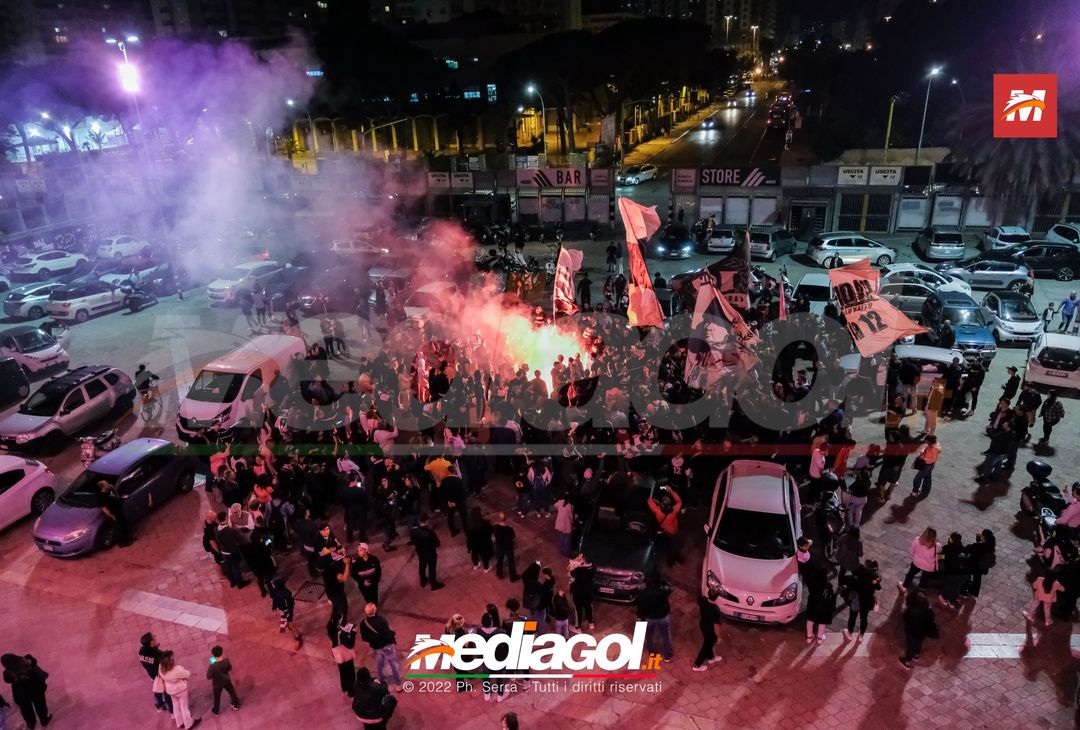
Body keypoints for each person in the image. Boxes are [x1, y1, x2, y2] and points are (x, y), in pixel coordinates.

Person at [359, 603, 403, 692]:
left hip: (376, 647)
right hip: (387, 646)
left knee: (379, 663)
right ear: (374, 611)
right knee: (393, 663)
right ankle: (398, 684)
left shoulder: (363, 624)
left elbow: (364, 638)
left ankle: (381, 678)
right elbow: (387, 633)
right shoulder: (381, 620)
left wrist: (374, 640)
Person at [1, 654, 49, 730]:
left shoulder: (7, 674)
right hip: (36, 689)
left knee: (26, 711)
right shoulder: (28, 659)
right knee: (41, 705)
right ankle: (44, 720)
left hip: (21, 695)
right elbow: (35, 661)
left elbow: (7, 681)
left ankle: (31, 725)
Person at [158, 651, 200, 729]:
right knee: (184, 707)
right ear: (170, 661)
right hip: (181, 690)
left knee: (175, 705)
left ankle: (180, 722)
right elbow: (187, 674)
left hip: (170, 690)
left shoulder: (160, 668)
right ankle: (189, 724)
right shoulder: (177, 669)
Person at [843, 559, 881, 643]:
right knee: (864, 619)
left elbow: (849, 581)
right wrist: (877, 580)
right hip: (866, 602)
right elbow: (878, 587)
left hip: (856, 600)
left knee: (852, 617)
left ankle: (850, 634)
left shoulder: (859, 574)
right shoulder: (873, 577)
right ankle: (861, 636)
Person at [898, 589, 938, 669]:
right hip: (922, 632)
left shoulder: (911, 611)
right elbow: (931, 620)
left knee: (910, 646)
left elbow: (905, 618)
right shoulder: (929, 611)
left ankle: (907, 662)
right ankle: (916, 655)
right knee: (918, 643)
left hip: (912, 631)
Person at [637, 577, 674, 661]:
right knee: (666, 636)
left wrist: (639, 616)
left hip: (650, 617)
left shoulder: (644, 593)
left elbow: (641, 606)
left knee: (649, 635)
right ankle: (667, 655)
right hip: (662, 617)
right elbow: (671, 588)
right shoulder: (663, 592)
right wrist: (664, 582)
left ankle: (651, 652)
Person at [647, 484, 683, 566]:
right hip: (674, 531)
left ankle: (671, 562)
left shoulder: (657, 510)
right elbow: (679, 501)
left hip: (666, 532)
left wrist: (655, 501)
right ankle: (677, 559)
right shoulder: (674, 511)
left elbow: (649, 500)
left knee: (671, 546)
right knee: (672, 545)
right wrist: (671, 491)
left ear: (661, 504)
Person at [139, 632, 173, 714]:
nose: (155, 636)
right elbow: (163, 663)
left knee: (157, 689)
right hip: (160, 675)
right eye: (153, 637)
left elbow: (147, 660)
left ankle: (159, 705)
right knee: (166, 692)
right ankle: (171, 709)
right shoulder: (157, 654)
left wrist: (155, 647)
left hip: (151, 674)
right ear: (151, 642)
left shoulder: (142, 651)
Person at [899, 527, 939, 592]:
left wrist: (915, 558)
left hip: (917, 563)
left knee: (911, 573)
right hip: (929, 567)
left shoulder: (917, 540)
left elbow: (911, 551)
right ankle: (921, 589)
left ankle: (904, 586)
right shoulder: (937, 545)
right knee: (925, 577)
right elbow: (940, 554)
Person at [410, 513, 444, 590]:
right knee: (431, 568)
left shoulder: (413, 531)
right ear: (426, 521)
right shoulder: (430, 533)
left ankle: (423, 580)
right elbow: (437, 544)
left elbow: (412, 541)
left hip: (420, 552)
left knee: (422, 565)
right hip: (430, 553)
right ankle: (434, 584)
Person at [269, 575, 303, 648]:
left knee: (291, 624)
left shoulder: (287, 594)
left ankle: (298, 638)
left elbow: (290, 606)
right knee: (283, 617)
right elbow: (274, 600)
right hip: (281, 609)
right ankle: (284, 621)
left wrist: (287, 613)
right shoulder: (274, 591)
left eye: (273, 584)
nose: (272, 585)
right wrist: (274, 607)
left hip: (287, 610)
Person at [692, 592, 723, 671]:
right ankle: (697, 665)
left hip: (703, 625)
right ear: (717, 597)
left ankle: (711, 658)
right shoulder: (716, 610)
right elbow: (716, 626)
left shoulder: (703, 600)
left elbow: (700, 598)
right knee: (706, 646)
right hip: (710, 629)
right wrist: (718, 637)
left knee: (707, 642)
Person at [937, 532, 968, 610]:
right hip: (963, 573)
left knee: (948, 586)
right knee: (957, 586)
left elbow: (940, 559)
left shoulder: (946, 548)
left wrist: (942, 569)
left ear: (952, 539)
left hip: (951, 572)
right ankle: (953, 599)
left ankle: (945, 598)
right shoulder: (963, 548)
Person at [206, 646, 240, 716]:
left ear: (213, 654)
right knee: (231, 692)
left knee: (217, 697)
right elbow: (229, 668)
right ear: (221, 652)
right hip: (226, 680)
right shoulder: (226, 661)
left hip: (217, 684)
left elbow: (208, 677)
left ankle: (216, 710)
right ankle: (236, 704)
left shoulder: (212, 666)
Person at [98, 479, 134, 546]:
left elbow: (115, 494)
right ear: (103, 487)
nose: (108, 484)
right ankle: (122, 543)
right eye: (106, 484)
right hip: (113, 514)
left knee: (124, 525)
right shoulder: (101, 497)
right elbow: (104, 509)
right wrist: (112, 516)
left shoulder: (109, 490)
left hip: (118, 511)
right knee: (119, 529)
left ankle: (129, 538)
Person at [962, 529, 996, 598]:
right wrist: (979, 540)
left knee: (966, 575)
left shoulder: (977, 546)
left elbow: (969, 548)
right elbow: (983, 546)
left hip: (973, 565)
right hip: (982, 567)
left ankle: (963, 590)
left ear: (983, 537)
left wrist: (977, 542)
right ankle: (974, 592)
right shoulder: (991, 546)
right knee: (977, 578)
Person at [805, 576, 836, 644]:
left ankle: (809, 637)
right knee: (822, 623)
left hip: (813, 606)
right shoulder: (828, 586)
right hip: (824, 608)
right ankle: (819, 638)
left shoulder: (813, 584)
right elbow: (832, 597)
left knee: (810, 620)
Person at [569, 554, 596, 630]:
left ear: (584, 560)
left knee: (578, 610)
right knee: (589, 607)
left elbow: (570, 574)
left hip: (578, 593)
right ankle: (591, 622)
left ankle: (577, 627)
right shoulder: (593, 568)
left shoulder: (579, 570)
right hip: (588, 592)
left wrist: (576, 566)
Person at [331, 625, 357, 697]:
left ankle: (344, 687)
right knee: (350, 674)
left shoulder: (334, 631)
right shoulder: (342, 634)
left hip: (339, 658)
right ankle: (351, 691)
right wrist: (353, 633)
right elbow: (350, 644)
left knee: (343, 673)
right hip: (346, 658)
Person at [466, 507, 495, 572]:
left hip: (474, 543)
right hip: (483, 543)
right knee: (484, 556)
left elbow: (468, 535)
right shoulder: (485, 523)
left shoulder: (470, 523)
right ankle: (486, 568)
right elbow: (490, 531)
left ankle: (475, 565)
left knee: (474, 554)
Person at [492, 513, 519, 581]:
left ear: (498, 519)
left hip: (500, 546)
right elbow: (513, 537)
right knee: (511, 562)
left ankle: (499, 574)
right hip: (508, 547)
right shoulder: (509, 529)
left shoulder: (495, 528)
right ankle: (513, 577)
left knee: (500, 561)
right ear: (505, 519)